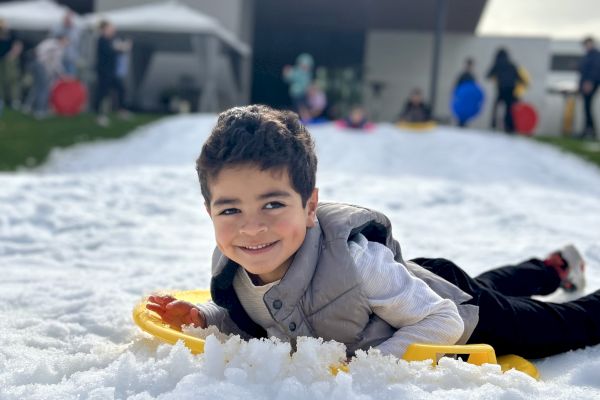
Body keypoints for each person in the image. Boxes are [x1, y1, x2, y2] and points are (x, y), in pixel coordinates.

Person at [147, 104, 600, 361]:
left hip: (458, 310)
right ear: (209, 212)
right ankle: (551, 267)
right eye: (230, 209)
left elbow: (444, 318)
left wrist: (372, 367)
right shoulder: (238, 267)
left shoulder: (357, 264)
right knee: (485, 284)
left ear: (309, 206)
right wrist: (204, 318)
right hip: (414, 287)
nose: (251, 226)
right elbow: (259, 318)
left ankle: (567, 285)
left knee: (561, 326)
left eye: (272, 203)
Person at [93, 20, 131, 127]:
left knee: (121, 89)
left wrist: (123, 48)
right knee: (103, 93)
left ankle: (121, 110)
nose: (113, 31)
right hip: (104, 72)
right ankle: (99, 115)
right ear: (105, 29)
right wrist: (120, 48)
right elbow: (110, 52)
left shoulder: (111, 40)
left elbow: (116, 51)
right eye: (110, 29)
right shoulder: (102, 40)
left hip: (112, 72)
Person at [23, 34, 69, 119]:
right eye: (66, 41)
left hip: (37, 64)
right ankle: (39, 111)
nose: (67, 43)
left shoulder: (50, 43)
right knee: (43, 89)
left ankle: (27, 107)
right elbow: (56, 63)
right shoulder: (57, 46)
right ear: (62, 39)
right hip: (41, 65)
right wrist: (62, 74)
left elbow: (40, 52)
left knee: (36, 87)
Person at [486, 48, 523, 133]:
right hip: (511, 91)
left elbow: (488, 75)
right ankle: (509, 127)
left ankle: (493, 124)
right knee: (509, 109)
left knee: (496, 106)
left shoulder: (497, 64)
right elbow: (520, 78)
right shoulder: (512, 65)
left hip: (501, 90)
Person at [578, 37, 600, 140]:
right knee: (586, 109)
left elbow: (595, 70)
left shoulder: (595, 55)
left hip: (590, 84)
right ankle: (588, 130)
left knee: (588, 108)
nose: (586, 46)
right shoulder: (588, 55)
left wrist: (589, 82)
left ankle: (590, 131)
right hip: (585, 84)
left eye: (588, 44)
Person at [0, 19, 23, 113]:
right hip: (1, 59)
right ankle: (3, 99)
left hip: (10, 59)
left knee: (12, 79)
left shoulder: (11, 33)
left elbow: (18, 45)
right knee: (2, 80)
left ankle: (14, 100)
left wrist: (13, 55)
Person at [282, 53, 314, 119]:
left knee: (305, 106)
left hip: (304, 93)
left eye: (307, 66)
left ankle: (305, 118)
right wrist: (286, 73)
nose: (306, 67)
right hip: (296, 93)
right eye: (304, 65)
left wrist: (310, 89)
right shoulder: (296, 71)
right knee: (300, 107)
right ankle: (304, 118)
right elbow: (288, 78)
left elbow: (308, 83)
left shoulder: (308, 74)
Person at [51, 10, 81, 77]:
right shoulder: (58, 27)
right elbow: (55, 38)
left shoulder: (75, 30)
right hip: (59, 59)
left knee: (70, 78)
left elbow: (76, 42)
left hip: (71, 59)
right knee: (59, 78)